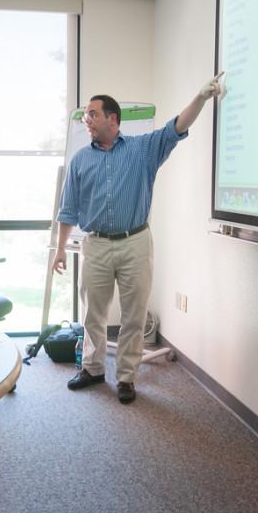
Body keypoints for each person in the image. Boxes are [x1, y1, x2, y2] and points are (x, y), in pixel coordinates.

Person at [53, 74, 225, 404]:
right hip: (97, 244)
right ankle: (92, 368)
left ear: (112, 119)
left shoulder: (143, 149)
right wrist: (60, 249)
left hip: (135, 242)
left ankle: (127, 378)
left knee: (134, 315)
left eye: (92, 114)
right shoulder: (80, 160)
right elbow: (68, 210)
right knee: (93, 314)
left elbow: (176, 127)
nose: (86, 119)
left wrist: (201, 98)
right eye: (86, 114)